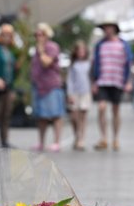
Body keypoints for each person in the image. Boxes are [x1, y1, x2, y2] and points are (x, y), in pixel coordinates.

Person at [91, 15, 134, 151]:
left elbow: (130, 63)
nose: (107, 30)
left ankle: (115, 138)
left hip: (117, 80)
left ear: (114, 28)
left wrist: (129, 81)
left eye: (109, 27)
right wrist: (94, 81)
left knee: (116, 110)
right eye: (105, 27)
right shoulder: (100, 45)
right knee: (101, 107)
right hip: (103, 80)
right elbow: (94, 64)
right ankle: (104, 137)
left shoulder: (123, 44)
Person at [31, 22, 65, 152]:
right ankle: (41, 142)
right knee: (41, 116)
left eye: (41, 34)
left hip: (51, 86)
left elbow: (46, 63)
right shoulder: (36, 49)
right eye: (36, 34)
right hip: (39, 86)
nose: (38, 37)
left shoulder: (52, 47)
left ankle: (57, 142)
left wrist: (40, 50)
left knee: (55, 114)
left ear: (47, 35)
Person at [66, 40, 92, 151]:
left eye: (83, 50)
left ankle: (81, 139)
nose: (81, 52)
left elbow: (91, 78)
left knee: (83, 116)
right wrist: (69, 94)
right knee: (74, 117)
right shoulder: (73, 64)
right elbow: (69, 80)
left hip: (85, 92)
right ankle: (76, 134)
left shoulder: (89, 64)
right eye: (79, 50)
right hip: (74, 93)